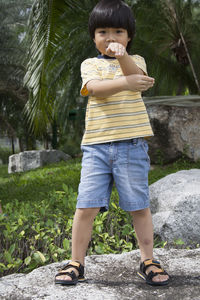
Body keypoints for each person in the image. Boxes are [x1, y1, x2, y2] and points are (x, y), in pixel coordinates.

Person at [55, 0, 169, 286]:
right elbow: (94, 89)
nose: (111, 38)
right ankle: (76, 262)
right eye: (103, 31)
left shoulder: (136, 60)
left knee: (139, 206)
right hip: (96, 148)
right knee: (86, 206)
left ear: (129, 36)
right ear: (93, 37)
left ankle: (148, 260)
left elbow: (139, 78)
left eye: (118, 31)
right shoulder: (89, 64)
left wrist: (123, 60)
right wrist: (125, 82)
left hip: (132, 146)